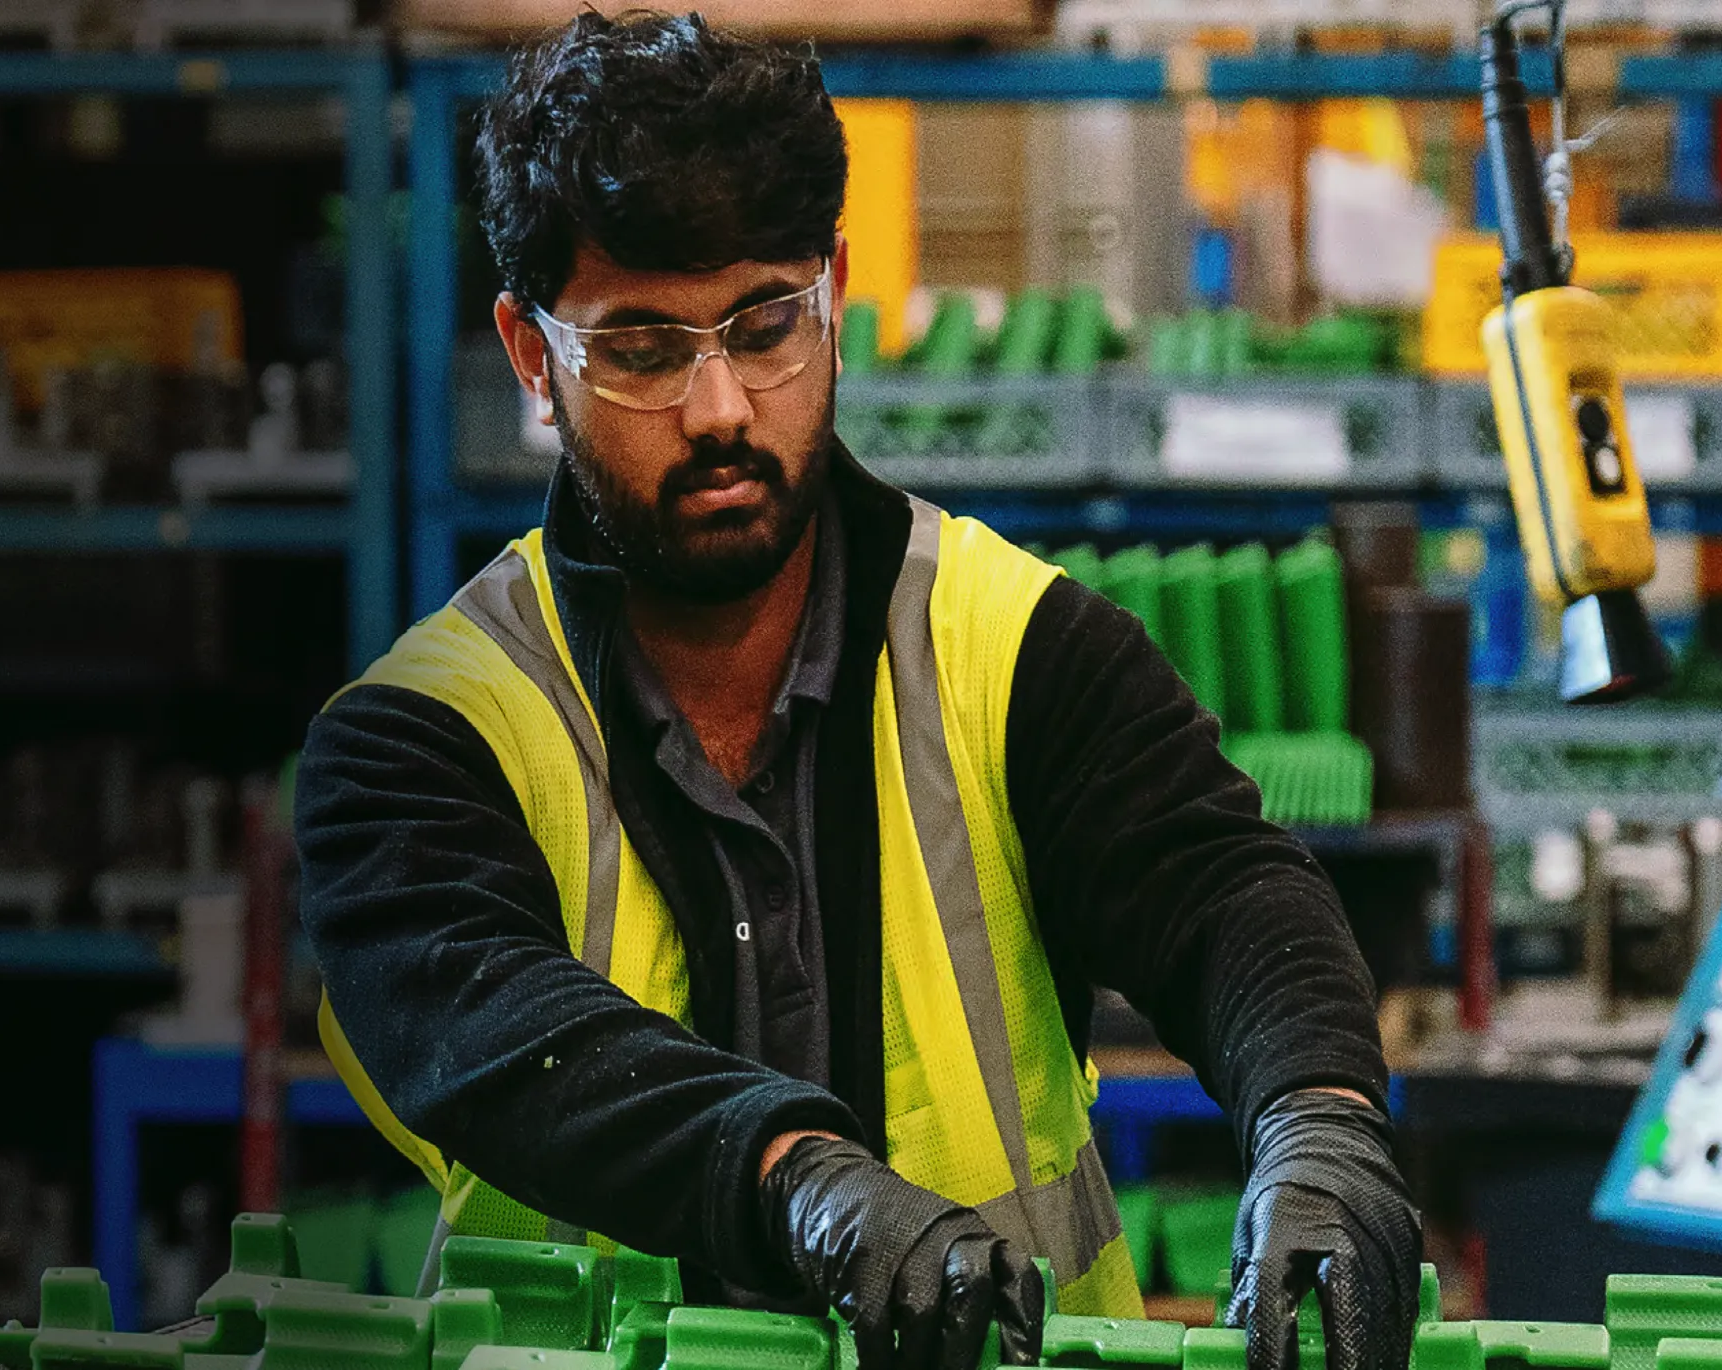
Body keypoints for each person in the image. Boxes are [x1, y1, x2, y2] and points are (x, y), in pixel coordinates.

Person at [296, 11, 1420, 1370]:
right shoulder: (420, 742)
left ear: (834, 288)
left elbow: (1227, 894)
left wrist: (1320, 1122)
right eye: (643, 349)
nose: (720, 407)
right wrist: (799, 1180)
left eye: (766, 325)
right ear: (532, 355)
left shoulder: (1016, 645)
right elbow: (501, 1034)